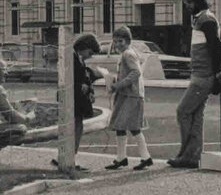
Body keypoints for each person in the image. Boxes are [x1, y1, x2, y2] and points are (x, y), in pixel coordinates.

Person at [168, 0, 221, 168]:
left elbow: (216, 47)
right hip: (200, 74)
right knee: (195, 115)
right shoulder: (201, 19)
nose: (187, 5)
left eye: (190, 1)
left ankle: (188, 155)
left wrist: (217, 72)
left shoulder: (206, 20)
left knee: (183, 112)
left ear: (198, 1)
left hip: (202, 76)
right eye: (186, 1)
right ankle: (193, 156)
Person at [104, 26, 154, 171]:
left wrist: (117, 85)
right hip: (127, 95)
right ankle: (123, 158)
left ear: (128, 41)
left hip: (131, 96)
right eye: (115, 42)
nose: (118, 44)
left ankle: (144, 157)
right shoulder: (127, 53)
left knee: (132, 127)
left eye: (121, 41)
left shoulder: (128, 54)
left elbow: (136, 72)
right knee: (121, 126)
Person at [51, 33, 101, 171]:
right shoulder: (71, 57)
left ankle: (66, 157)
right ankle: (67, 158)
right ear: (84, 47)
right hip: (72, 98)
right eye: (89, 52)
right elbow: (69, 77)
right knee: (73, 128)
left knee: (76, 127)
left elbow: (83, 76)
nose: (89, 56)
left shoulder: (77, 57)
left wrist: (89, 88)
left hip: (76, 98)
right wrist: (82, 85)